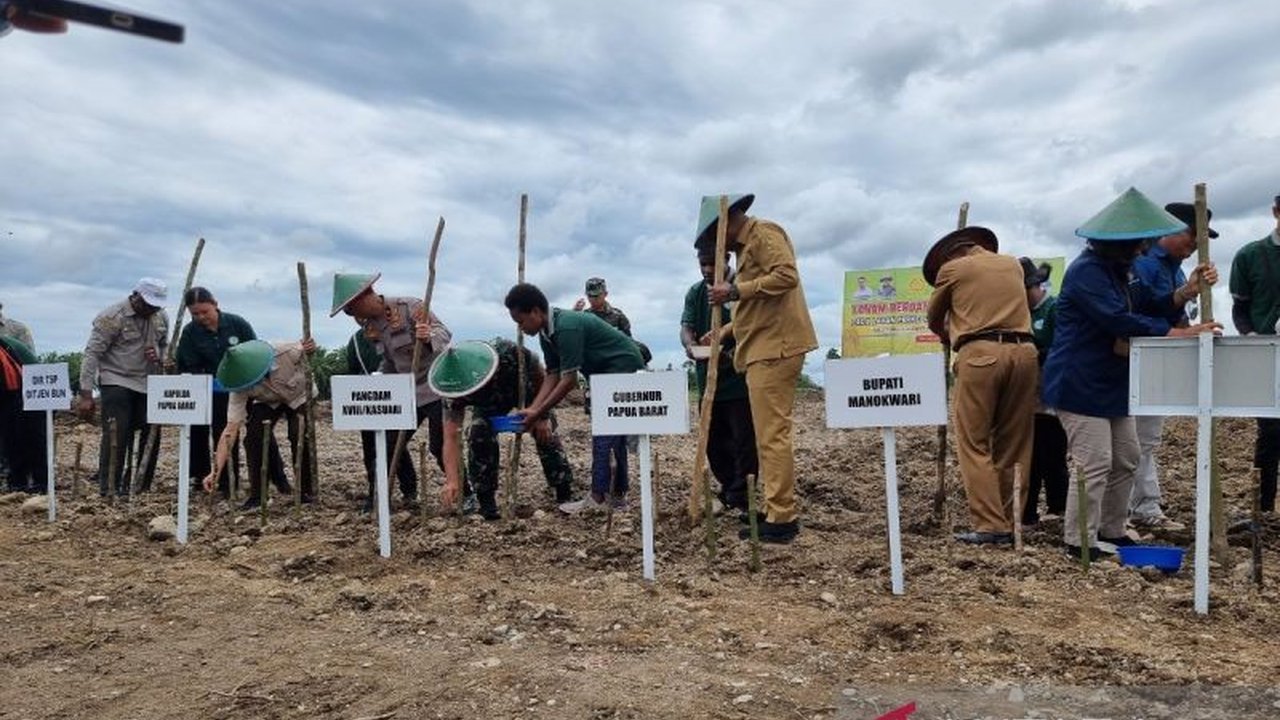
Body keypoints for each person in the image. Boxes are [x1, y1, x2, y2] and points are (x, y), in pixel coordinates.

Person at [1043, 188, 1220, 560]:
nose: (1143, 249)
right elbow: (1117, 319)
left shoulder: (1122, 273)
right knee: (1094, 462)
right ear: (1117, 244)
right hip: (1079, 382)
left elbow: (1147, 305)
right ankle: (1080, 541)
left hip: (1112, 382)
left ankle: (1113, 529)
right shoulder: (1087, 272)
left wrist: (1185, 293)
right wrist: (1177, 333)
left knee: (1126, 456)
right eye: (1138, 243)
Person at [699, 193, 817, 544]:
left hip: (775, 348)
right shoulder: (746, 247)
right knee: (768, 435)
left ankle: (782, 517)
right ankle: (776, 504)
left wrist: (735, 291)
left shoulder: (763, 233)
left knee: (771, 436)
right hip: (762, 346)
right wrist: (722, 332)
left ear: (726, 223)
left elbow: (786, 276)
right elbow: (758, 308)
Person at [924, 227, 1038, 545]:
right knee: (1015, 443)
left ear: (949, 256)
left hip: (981, 355)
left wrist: (949, 331)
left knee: (974, 443)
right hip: (1026, 354)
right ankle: (1009, 519)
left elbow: (934, 319)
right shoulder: (1013, 264)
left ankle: (990, 525)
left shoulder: (953, 269)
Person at [505, 283, 645, 513]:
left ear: (536, 312)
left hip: (621, 367)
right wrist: (533, 409)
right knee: (613, 433)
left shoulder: (566, 327)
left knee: (606, 430)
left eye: (520, 321)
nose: (520, 328)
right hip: (603, 373)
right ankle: (616, 496)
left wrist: (538, 413)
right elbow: (553, 373)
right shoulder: (546, 333)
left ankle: (600, 497)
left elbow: (568, 380)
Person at [1127, 202, 1215, 531]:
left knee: (1146, 439)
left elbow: (1171, 311)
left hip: (1155, 360)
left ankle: (1143, 505)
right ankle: (1126, 509)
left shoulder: (1175, 268)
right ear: (1170, 229)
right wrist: (1179, 326)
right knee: (1133, 441)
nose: (1194, 244)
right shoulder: (1144, 264)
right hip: (1136, 359)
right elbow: (1139, 314)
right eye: (1192, 235)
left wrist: (1188, 315)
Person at [331, 273, 452, 509]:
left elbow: (445, 334)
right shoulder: (371, 327)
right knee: (388, 445)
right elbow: (389, 360)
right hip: (406, 393)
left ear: (364, 298)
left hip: (436, 386)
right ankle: (379, 497)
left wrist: (428, 337)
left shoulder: (410, 307)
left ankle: (464, 493)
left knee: (440, 445)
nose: (352, 316)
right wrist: (378, 380)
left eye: (351, 310)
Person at [429, 339, 576, 519]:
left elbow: (541, 375)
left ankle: (563, 492)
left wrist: (541, 414)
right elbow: (451, 437)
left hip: (525, 391)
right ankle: (487, 504)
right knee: (478, 434)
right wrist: (452, 480)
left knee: (545, 432)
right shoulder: (453, 389)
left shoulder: (509, 353)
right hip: (488, 405)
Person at [174, 287, 286, 498]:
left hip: (245, 386)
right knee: (221, 432)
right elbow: (187, 364)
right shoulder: (190, 333)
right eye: (195, 314)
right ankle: (223, 481)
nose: (201, 317)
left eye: (204, 312)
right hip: (212, 391)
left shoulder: (237, 324)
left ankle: (278, 478)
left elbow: (255, 353)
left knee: (260, 432)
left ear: (215, 304)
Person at [77, 278, 169, 497]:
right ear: (135, 296)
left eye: (155, 306)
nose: (151, 309)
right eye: (147, 304)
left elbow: (166, 347)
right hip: (116, 378)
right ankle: (110, 487)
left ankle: (141, 485)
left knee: (151, 432)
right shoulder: (111, 317)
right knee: (117, 432)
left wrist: (161, 356)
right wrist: (86, 394)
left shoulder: (160, 316)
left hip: (149, 381)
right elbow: (92, 354)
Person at [681, 249, 758, 512]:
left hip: (739, 380)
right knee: (713, 441)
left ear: (725, 259)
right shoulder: (695, 293)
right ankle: (728, 487)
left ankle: (742, 494)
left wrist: (728, 355)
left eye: (711, 264)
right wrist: (690, 344)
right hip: (708, 383)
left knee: (744, 441)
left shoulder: (740, 288)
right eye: (702, 264)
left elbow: (753, 325)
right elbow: (686, 325)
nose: (705, 270)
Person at [203, 339, 316, 508]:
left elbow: (309, 347)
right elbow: (231, 429)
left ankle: (306, 492)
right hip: (268, 401)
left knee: (298, 433)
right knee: (254, 436)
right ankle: (258, 495)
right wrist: (216, 471)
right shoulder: (239, 385)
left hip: (299, 395)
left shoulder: (287, 351)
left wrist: (311, 348)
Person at [1229, 194, 1280, 514]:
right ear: (1276, 212)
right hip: (1267, 355)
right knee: (1271, 432)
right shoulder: (1251, 255)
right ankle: (1263, 508)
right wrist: (1251, 339)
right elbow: (1240, 309)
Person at [344, 330, 424, 513]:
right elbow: (353, 370)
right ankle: (377, 493)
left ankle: (407, 490)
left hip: (397, 397)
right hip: (369, 399)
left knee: (393, 444)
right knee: (371, 447)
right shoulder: (356, 341)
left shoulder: (397, 332)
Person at [1018, 258, 1068, 527]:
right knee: (1033, 454)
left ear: (1033, 287)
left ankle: (1058, 506)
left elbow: (1065, 346)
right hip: (1030, 394)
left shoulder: (1054, 308)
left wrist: (1036, 355)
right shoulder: (1023, 313)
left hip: (1052, 390)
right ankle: (1029, 511)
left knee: (1053, 452)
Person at [0, 335, 47, 494]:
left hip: (29, 388)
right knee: (10, 437)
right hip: (9, 391)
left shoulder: (8, 347)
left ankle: (40, 483)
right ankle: (17, 482)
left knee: (30, 438)